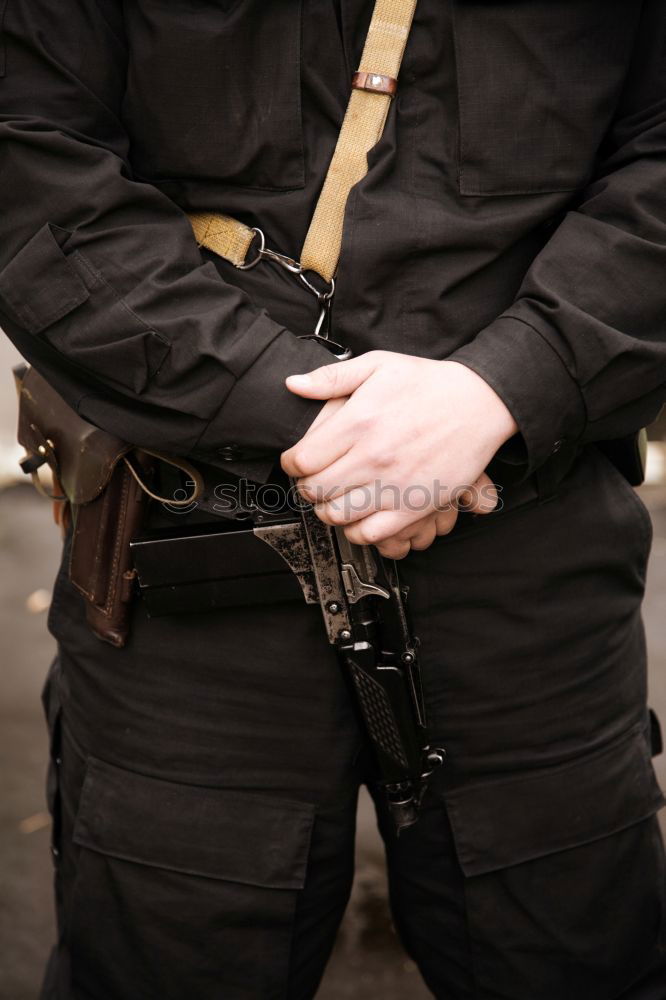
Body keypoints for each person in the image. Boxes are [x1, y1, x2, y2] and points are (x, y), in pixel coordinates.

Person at [1, 1, 665, 997]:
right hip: (189, 567)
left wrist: (509, 383)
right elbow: (29, 155)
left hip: (527, 557)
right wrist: (318, 422)